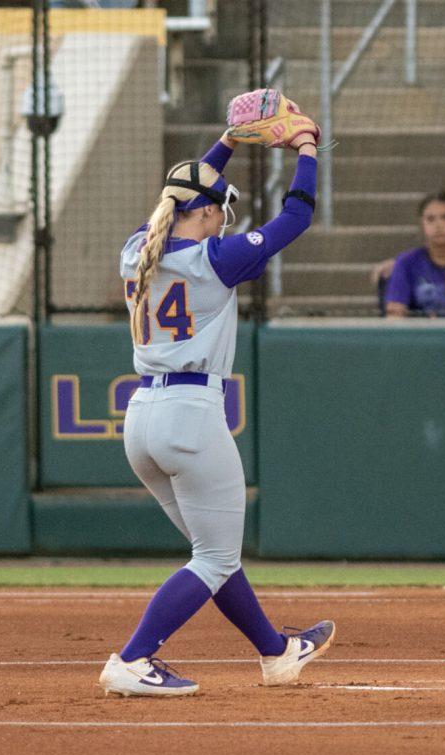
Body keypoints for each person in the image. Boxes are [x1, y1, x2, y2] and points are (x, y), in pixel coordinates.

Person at [99, 128, 335, 697]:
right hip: (191, 414)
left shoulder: (136, 250)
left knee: (216, 556)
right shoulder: (214, 260)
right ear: (202, 212)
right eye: (216, 211)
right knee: (213, 557)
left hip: (143, 419)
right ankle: (132, 660)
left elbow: (184, 191)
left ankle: (278, 653)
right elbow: (295, 217)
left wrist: (227, 140)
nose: (222, 219)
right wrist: (307, 149)